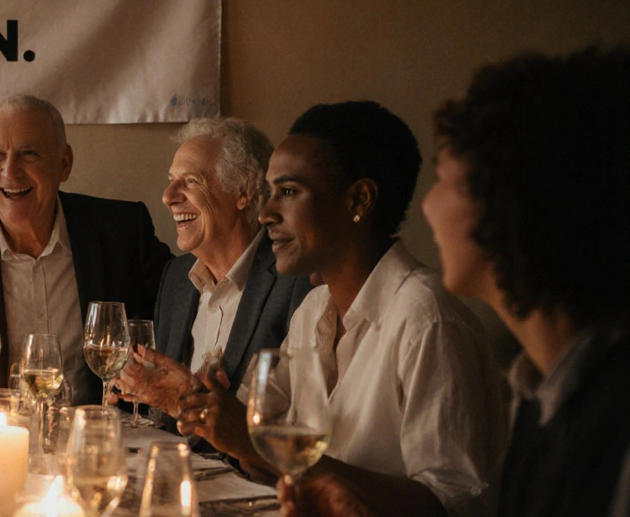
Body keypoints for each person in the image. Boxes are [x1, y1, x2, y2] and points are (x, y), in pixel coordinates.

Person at [278, 47, 630, 517]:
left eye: (444, 178)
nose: (426, 206)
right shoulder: (538, 392)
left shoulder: (611, 414)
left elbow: (459, 498)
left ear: (513, 196)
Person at [177, 101, 507, 517]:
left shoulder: (428, 321)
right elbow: (264, 450)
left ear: (358, 200)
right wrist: (213, 412)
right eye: (270, 192)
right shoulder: (315, 309)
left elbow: (454, 504)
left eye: (288, 192)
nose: (265, 214)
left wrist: (254, 443)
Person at [0, 94, 173, 404]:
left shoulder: (123, 232)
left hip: (101, 427)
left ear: (64, 164)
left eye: (29, 154)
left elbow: (181, 313)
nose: (10, 171)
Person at [112, 117, 313, 421]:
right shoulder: (177, 277)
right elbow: (163, 413)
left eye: (191, 181)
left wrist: (190, 400)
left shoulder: (296, 281)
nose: (168, 197)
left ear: (243, 192)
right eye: (171, 180)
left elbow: (296, 421)